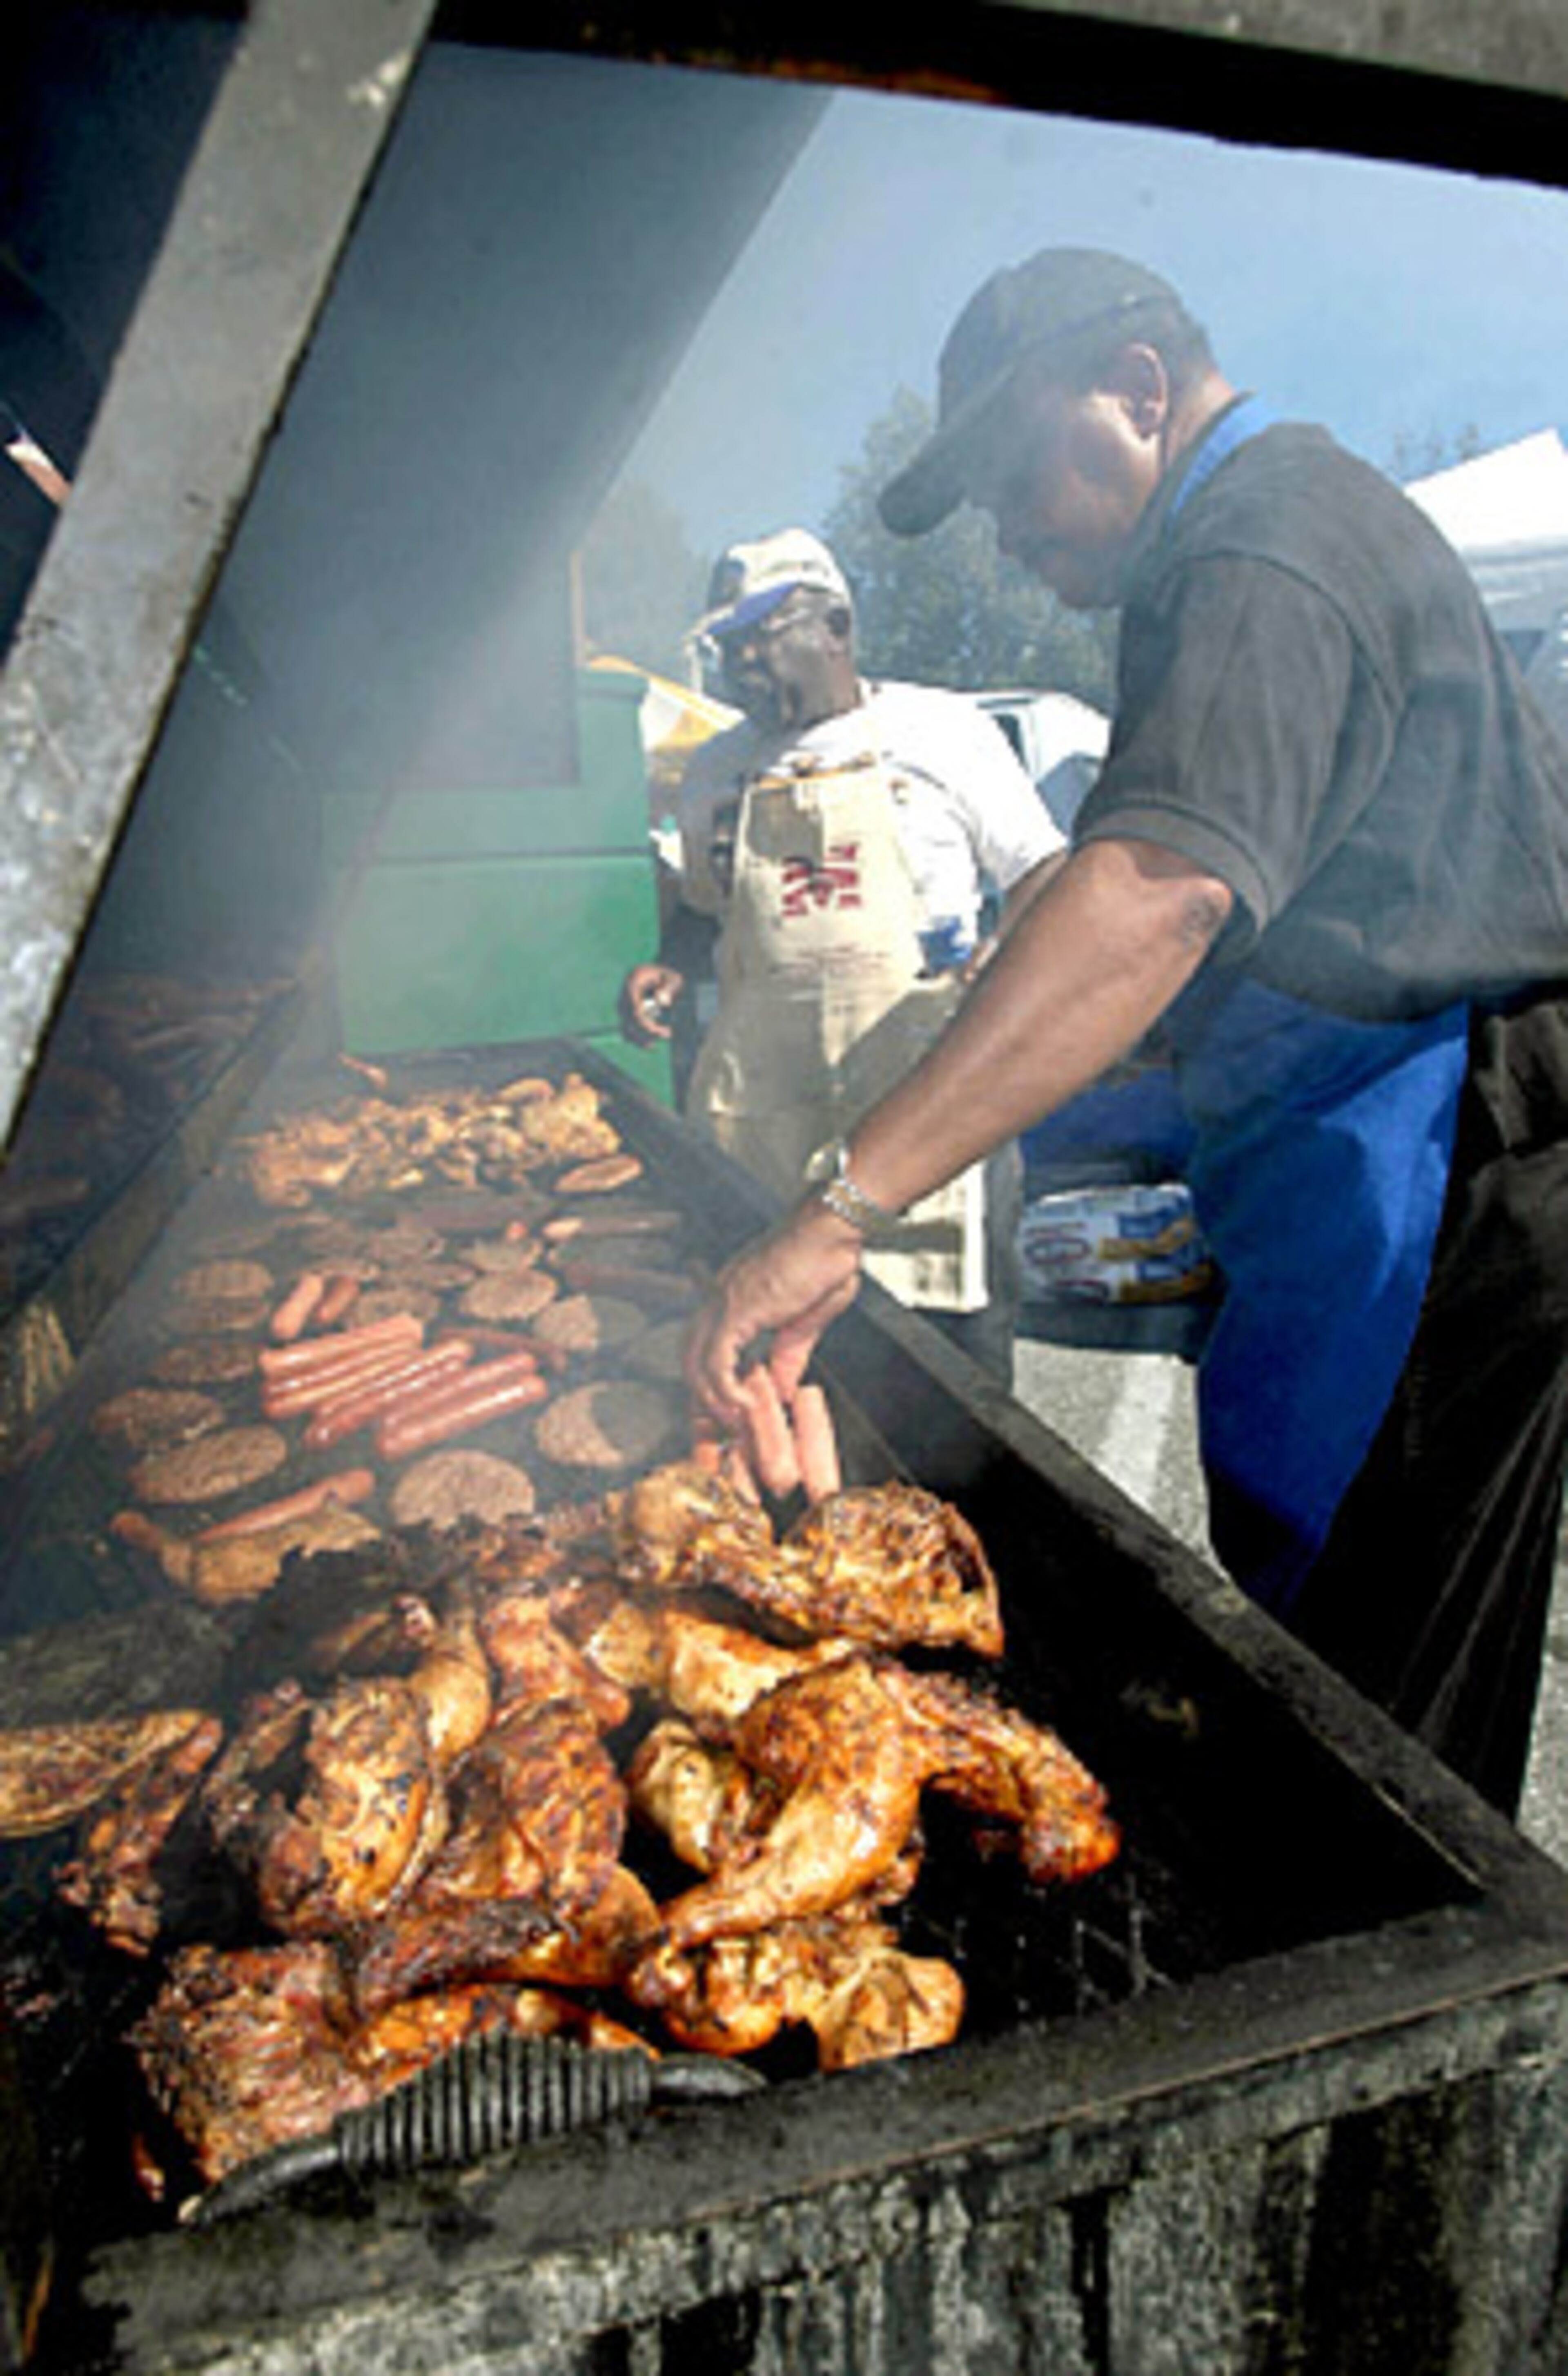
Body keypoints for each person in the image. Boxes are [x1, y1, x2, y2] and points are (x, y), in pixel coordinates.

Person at [684, 248, 1568, 1816]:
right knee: (1316, 1659)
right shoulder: (1222, 555)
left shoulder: (1270, 543)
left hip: (1442, 1174)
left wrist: (843, 1210)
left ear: (1141, 390)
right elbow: (1147, 884)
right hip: (1346, 1164)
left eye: (1023, 479)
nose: (1014, 539)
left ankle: (1404, 2039)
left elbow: (1157, 898)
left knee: (1382, 1754)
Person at [620, 526, 1067, 1385]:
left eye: (762, 631)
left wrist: (1005, 952)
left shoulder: (942, 731)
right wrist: (671, 964)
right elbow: (706, 917)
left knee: (950, 1374)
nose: (742, 659)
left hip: (924, 1108)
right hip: (769, 1122)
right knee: (785, 1356)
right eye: (727, 640)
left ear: (837, 626)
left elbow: (1046, 871)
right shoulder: (714, 769)